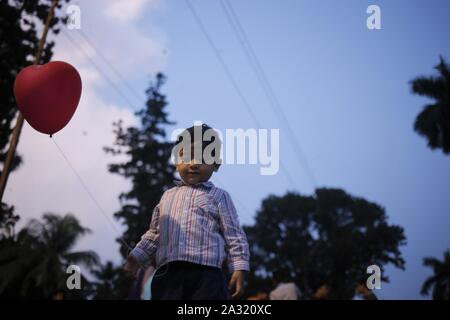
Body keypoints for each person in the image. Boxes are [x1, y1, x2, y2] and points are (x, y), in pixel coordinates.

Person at [124, 123, 250, 300]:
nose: (194, 164)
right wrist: (135, 257)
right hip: (168, 276)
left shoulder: (219, 196)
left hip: (206, 277)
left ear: (216, 164)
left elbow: (234, 234)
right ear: (177, 161)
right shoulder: (167, 197)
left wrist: (239, 266)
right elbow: (154, 234)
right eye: (187, 156)